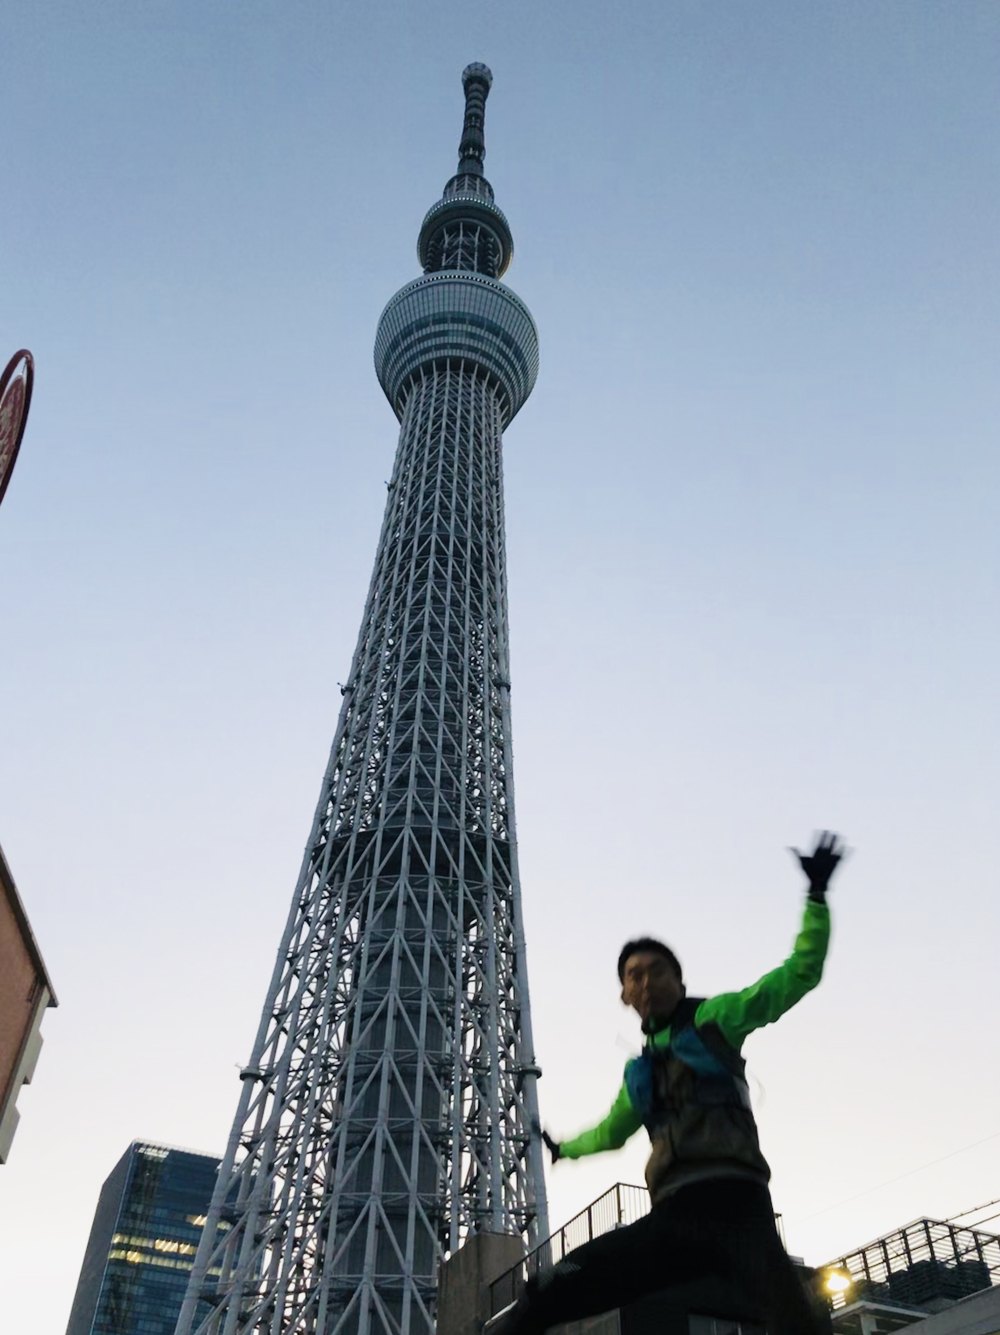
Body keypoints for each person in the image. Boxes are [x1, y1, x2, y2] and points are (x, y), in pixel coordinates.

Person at [503, 831, 845, 1335]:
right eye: (634, 975)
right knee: (547, 1291)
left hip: (741, 1211)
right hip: (673, 1220)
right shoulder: (638, 1072)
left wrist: (816, 896)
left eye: (657, 971)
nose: (646, 982)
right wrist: (565, 1148)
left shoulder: (716, 1019)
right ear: (624, 994)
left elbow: (799, 973)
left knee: (804, 1326)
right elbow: (614, 1131)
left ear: (679, 982)